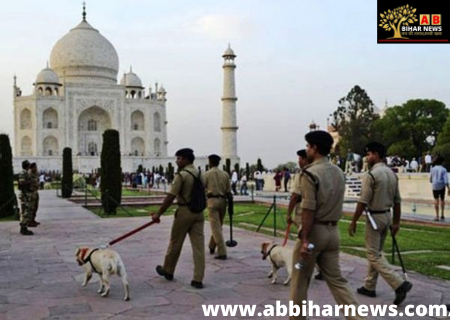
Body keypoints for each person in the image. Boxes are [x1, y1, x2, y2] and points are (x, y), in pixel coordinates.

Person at [289, 131, 365, 320]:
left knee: (299, 280)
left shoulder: (310, 173)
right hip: (333, 232)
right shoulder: (338, 171)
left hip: (314, 234)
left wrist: (305, 239)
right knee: (337, 281)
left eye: (308, 146)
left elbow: (308, 208)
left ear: (314, 148)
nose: (306, 149)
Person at [348, 142, 413, 306]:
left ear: (376, 155)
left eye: (369, 154)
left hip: (375, 217)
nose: (367, 157)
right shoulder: (391, 174)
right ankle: (369, 285)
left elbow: (363, 201)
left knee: (372, 254)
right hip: (387, 216)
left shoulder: (372, 175)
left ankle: (398, 283)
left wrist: (353, 221)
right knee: (376, 252)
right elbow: (397, 201)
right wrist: (396, 222)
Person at [151, 148, 205, 289]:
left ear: (186, 159)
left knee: (175, 243)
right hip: (199, 213)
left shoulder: (182, 175)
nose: (176, 161)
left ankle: (168, 270)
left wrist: (158, 214)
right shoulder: (200, 174)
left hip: (185, 212)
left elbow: (171, 196)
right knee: (198, 248)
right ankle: (198, 278)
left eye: (179, 158)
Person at [286, 150, 323, 281]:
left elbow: (295, 196)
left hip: (303, 212)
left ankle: (300, 269)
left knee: (304, 241)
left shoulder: (305, 174)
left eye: (300, 159)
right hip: (323, 217)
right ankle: (320, 268)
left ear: (305, 159)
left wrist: (288, 213)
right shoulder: (326, 171)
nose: (298, 161)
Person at [204, 154, 233, 260]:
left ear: (210, 162)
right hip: (223, 201)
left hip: (212, 201)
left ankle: (222, 252)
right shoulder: (225, 174)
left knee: (216, 227)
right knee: (218, 226)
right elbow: (229, 192)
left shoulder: (206, 174)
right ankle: (212, 245)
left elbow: (202, 188)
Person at [430, 156, 449, 221]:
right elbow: (446, 180)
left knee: (436, 199)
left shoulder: (433, 169)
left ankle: (437, 216)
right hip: (442, 185)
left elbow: (431, 179)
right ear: (442, 162)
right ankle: (442, 214)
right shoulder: (444, 169)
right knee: (442, 199)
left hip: (435, 185)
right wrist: (448, 188)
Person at [17, 160, 33, 236]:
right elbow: (22, 183)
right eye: (29, 165)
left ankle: (24, 227)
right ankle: (23, 227)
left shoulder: (26, 172)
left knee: (27, 210)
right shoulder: (23, 173)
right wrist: (25, 194)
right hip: (25, 194)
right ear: (27, 165)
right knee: (26, 211)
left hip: (26, 193)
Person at [28, 162, 41, 227]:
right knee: (31, 207)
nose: (36, 168)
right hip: (31, 192)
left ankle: (33, 219)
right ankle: (29, 221)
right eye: (35, 167)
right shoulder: (29, 174)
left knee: (35, 206)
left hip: (35, 192)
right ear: (32, 168)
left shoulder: (36, 173)